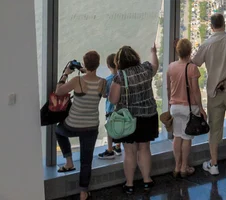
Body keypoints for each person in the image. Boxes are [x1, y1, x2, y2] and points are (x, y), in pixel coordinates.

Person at [192, 13, 226, 176]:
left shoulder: (207, 44)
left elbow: (194, 64)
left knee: (214, 128)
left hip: (214, 92)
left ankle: (214, 163)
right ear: (224, 24)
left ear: (211, 26)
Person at [55, 51, 107, 200]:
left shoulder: (77, 81)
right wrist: (88, 73)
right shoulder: (103, 82)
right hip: (91, 127)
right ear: (97, 65)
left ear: (83, 64)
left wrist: (65, 74)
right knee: (86, 160)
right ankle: (83, 192)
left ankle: (69, 162)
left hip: (72, 125)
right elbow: (103, 95)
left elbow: (58, 91)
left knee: (58, 131)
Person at [109, 44, 159, 195]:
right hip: (148, 116)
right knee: (144, 148)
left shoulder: (119, 77)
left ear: (119, 62)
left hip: (128, 120)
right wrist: (153, 52)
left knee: (129, 151)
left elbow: (113, 99)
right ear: (135, 57)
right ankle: (146, 180)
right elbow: (155, 65)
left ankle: (129, 184)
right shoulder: (146, 69)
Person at [167, 38, 207, 178]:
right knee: (186, 137)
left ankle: (176, 166)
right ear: (190, 51)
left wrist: (169, 103)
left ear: (177, 51)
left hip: (174, 106)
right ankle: (184, 167)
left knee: (177, 136)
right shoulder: (192, 68)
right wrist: (201, 108)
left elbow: (168, 87)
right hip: (188, 108)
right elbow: (195, 90)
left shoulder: (171, 66)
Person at [98, 53, 122, 160]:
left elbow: (104, 95)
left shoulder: (108, 80)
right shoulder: (123, 77)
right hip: (122, 109)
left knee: (110, 130)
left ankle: (109, 150)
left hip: (111, 109)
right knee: (120, 127)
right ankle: (118, 146)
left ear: (108, 66)